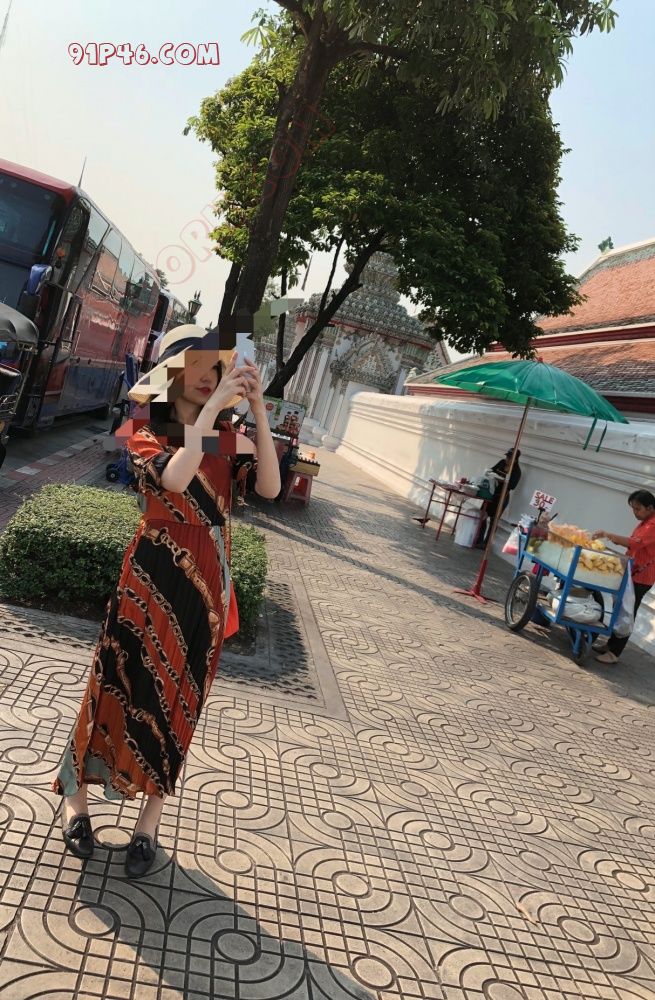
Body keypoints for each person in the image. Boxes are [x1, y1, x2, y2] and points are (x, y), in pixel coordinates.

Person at [53, 325, 281, 877]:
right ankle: (75, 799)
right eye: (197, 365)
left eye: (218, 366)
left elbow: (271, 488)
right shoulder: (141, 429)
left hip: (206, 593)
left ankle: (148, 825)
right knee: (113, 684)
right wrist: (212, 415)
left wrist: (257, 411)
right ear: (172, 373)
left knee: (178, 703)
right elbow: (175, 480)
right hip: (148, 581)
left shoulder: (227, 437)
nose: (209, 376)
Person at [592, 489, 655, 665]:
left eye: (638, 509)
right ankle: (611, 645)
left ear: (650, 508)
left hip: (641, 577)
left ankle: (615, 653)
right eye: (633, 508)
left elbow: (634, 543)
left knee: (627, 613)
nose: (635, 512)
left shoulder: (653, 525)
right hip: (632, 572)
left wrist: (608, 535)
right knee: (620, 608)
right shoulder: (645, 522)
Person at [478, 448, 522, 546]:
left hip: (502, 497)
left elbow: (512, 486)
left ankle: (486, 544)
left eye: (509, 458)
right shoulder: (502, 463)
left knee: (493, 521)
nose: (507, 459)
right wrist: (490, 473)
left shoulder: (516, 471)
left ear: (515, 459)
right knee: (482, 515)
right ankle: (478, 539)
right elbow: (492, 470)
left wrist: (503, 480)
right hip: (491, 493)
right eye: (507, 457)